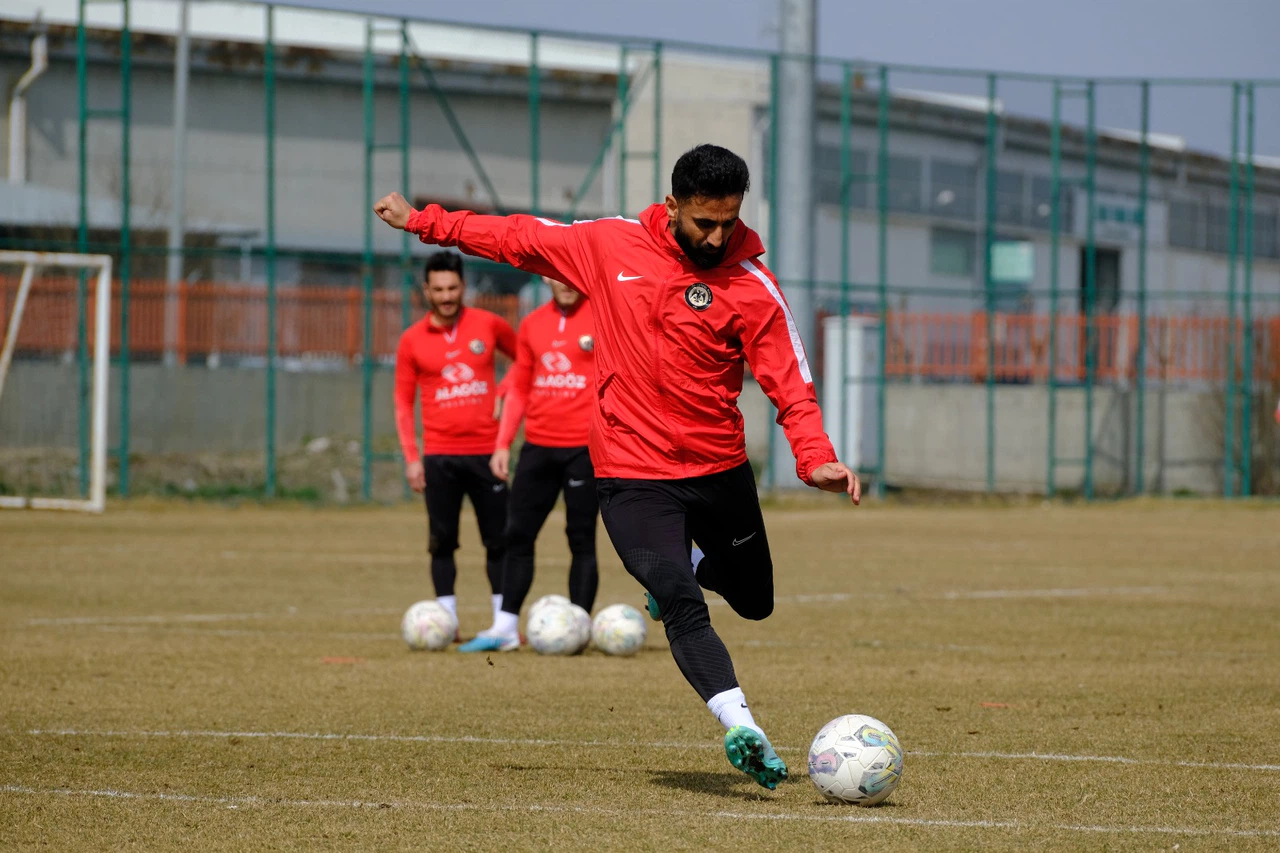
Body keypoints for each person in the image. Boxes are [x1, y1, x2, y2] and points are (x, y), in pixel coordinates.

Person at [376, 144, 860, 790]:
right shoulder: (610, 245)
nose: (718, 237)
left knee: (755, 600)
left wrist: (816, 458)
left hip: (717, 470)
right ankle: (740, 723)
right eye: (705, 223)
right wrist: (424, 222)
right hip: (631, 471)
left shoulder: (753, 287)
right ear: (673, 206)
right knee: (681, 601)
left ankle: (690, 562)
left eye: (729, 222)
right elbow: (519, 237)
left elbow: (791, 384)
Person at [459, 276, 599, 654]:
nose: (565, 282)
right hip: (538, 448)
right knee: (517, 534)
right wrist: (503, 443)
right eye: (556, 274)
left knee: (581, 537)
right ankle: (505, 627)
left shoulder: (603, 317)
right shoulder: (533, 323)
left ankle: (579, 627)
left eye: (572, 273)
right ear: (545, 276)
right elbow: (520, 386)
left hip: (585, 449)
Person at [394, 251, 518, 635]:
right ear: (426, 290)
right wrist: (412, 457)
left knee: (499, 540)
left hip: (487, 454)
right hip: (439, 456)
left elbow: (526, 360)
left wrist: (504, 388)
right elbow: (402, 402)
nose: (446, 296)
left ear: (463, 286)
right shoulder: (411, 340)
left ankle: (502, 624)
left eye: (452, 288)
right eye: (438, 289)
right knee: (442, 541)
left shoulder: (489, 325)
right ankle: (445, 623)